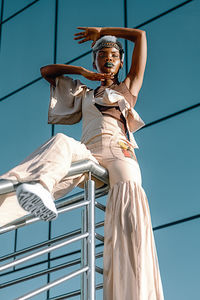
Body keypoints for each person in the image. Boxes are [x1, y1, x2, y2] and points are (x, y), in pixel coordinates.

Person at [0, 27, 164, 299]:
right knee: (61, 143)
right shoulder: (84, 92)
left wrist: (103, 32)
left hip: (119, 153)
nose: (108, 59)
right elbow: (47, 72)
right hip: (88, 153)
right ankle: (38, 189)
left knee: (129, 221)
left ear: (121, 62)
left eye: (114, 55)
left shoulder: (128, 89)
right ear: (94, 62)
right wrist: (81, 73)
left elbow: (141, 36)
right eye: (102, 55)